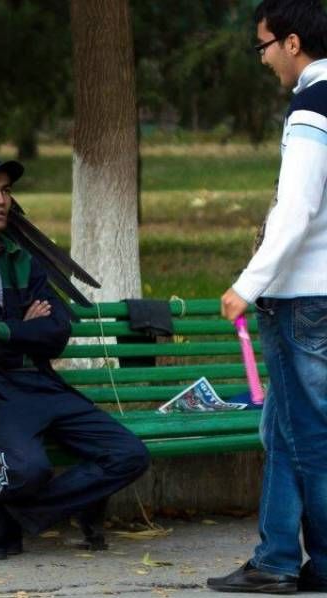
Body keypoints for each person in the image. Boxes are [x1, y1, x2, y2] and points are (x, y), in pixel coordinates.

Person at [0, 154, 149, 559]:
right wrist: (22, 327)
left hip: (39, 384)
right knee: (30, 469)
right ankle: (17, 510)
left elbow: (57, 332)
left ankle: (6, 512)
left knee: (128, 454)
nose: (0, 201)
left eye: (5, 191)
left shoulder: (22, 260)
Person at [209, 0, 327, 593]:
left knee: (309, 437)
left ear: (293, 42)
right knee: (283, 430)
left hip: (304, 295)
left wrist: (247, 285)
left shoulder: (311, 105)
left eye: (263, 46)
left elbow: (298, 209)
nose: (263, 60)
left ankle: (316, 563)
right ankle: (278, 557)